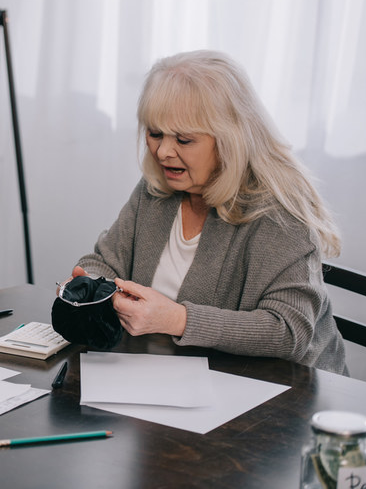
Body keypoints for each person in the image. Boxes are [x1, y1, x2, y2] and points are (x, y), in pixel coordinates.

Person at [65, 49, 347, 374]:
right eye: (155, 133)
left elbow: (288, 331)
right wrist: (91, 283)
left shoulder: (280, 214)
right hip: (176, 377)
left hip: (284, 399)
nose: (163, 151)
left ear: (231, 140)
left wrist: (176, 319)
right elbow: (106, 260)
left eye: (184, 140)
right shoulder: (156, 190)